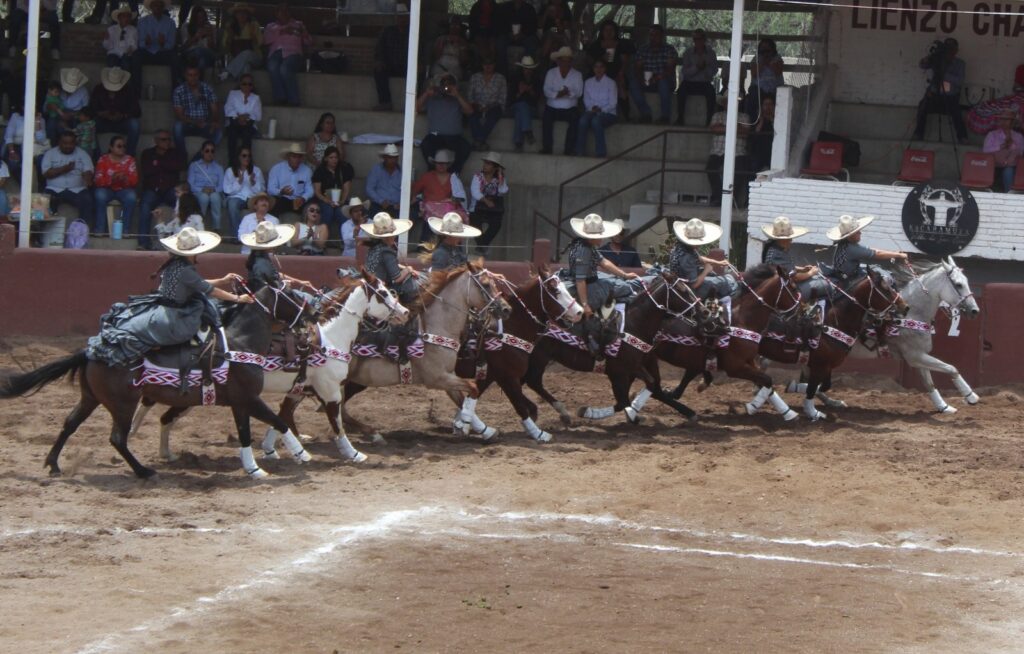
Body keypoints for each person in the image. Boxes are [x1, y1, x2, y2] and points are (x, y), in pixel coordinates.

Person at [84, 227, 252, 372]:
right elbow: (210, 290)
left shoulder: (175, 264)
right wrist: (237, 298)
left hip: (162, 308)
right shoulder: (186, 270)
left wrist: (222, 281)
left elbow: (197, 284)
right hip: (174, 316)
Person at [561, 213, 639, 356]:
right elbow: (580, 280)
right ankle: (595, 336)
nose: (602, 238)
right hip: (589, 286)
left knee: (618, 281)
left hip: (591, 279)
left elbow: (604, 262)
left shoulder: (585, 245)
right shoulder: (584, 251)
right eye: (599, 235)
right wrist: (585, 305)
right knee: (625, 288)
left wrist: (624, 274)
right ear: (592, 237)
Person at [804, 215, 908, 301]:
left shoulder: (846, 244)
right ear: (850, 236)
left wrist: (893, 253)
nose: (860, 233)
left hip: (847, 275)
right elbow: (877, 254)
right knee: (881, 278)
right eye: (857, 232)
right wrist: (898, 255)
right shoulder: (852, 248)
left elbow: (870, 249)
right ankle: (893, 303)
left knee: (875, 270)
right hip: (849, 281)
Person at [667, 219, 735, 320]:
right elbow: (694, 284)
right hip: (687, 290)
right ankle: (720, 315)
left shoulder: (681, 247)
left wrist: (718, 262)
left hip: (681, 281)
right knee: (724, 282)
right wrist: (706, 271)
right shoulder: (687, 257)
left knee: (714, 277)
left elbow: (699, 258)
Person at [138, 130, 186, 250]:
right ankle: (143, 243)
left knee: (183, 201)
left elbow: (179, 166)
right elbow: (147, 171)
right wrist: (166, 165)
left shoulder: (175, 153)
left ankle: (183, 241)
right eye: (164, 140)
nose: (167, 142)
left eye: (169, 139)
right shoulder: (147, 153)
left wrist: (158, 164)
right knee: (145, 205)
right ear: (156, 141)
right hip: (152, 190)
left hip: (170, 190)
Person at [417, 73, 473, 174]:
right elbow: (415, 108)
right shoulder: (432, 98)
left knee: (465, 148)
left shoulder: (458, 99)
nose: (446, 87)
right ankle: (433, 171)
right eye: (444, 84)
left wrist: (457, 95)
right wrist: (426, 93)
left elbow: (470, 111)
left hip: (454, 137)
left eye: (450, 84)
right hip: (435, 135)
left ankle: (453, 173)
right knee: (425, 145)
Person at [913, 37, 967, 143]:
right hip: (934, 95)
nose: (949, 52)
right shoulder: (937, 60)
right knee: (923, 105)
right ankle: (918, 134)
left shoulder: (960, 64)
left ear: (956, 51)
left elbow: (959, 81)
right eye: (947, 49)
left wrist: (943, 73)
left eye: (952, 49)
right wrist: (931, 57)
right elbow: (922, 65)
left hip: (951, 97)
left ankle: (962, 137)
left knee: (957, 112)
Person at [706, 94, 752, 208]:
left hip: (738, 152)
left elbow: (745, 133)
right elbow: (714, 129)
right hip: (718, 151)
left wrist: (723, 127)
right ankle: (720, 198)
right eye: (728, 101)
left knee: (740, 170)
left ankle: (731, 199)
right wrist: (735, 127)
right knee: (711, 168)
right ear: (724, 103)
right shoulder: (717, 115)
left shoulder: (744, 117)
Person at [412, 149, 468, 242]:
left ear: (448, 165)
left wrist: (451, 200)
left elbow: (460, 198)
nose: (441, 166)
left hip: (447, 210)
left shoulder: (453, 178)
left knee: (455, 217)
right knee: (429, 220)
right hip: (429, 209)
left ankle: (451, 244)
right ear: (435, 164)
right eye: (439, 163)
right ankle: (424, 246)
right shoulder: (427, 177)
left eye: (444, 163)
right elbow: (414, 191)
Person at [362, 212, 418, 304]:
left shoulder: (374, 247)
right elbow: (397, 278)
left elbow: (389, 265)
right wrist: (408, 269)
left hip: (370, 285)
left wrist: (405, 268)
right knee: (411, 287)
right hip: (381, 288)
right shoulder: (387, 252)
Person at [41, 131, 94, 227]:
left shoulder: (82, 154)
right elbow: (46, 174)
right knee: (45, 201)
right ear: (59, 142)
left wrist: (87, 176)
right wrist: (64, 169)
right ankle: (46, 231)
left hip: (77, 190)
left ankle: (81, 230)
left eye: (71, 143)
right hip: (54, 190)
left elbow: (88, 170)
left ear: (75, 143)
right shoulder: (50, 153)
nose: (68, 146)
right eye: (65, 143)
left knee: (87, 200)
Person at [585, 20, 634, 120]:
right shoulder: (596, 45)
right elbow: (590, 61)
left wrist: (621, 72)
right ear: (602, 32)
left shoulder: (621, 44)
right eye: (606, 30)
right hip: (599, 72)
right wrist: (601, 58)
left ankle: (626, 115)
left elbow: (625, 61)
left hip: (616, 72)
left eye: (611, 30)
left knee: (621, 85)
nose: (609, 32)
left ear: (615, 31)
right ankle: (590, 110)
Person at [264, 4, 311, 106]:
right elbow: (266, 41)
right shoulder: (271, 26)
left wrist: (303, 33)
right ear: (276, 14)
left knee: (285, 69)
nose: (284, 13)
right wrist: (282, 31)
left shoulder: (298, 24)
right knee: (273, 67)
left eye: (287, 10)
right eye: (281, 10)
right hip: (275, 53)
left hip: (293, 53)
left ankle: (294, 100)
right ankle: (280, 98)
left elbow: (308, 42)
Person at [241, 221, 310, 291]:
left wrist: (299, 282)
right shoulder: (262, 263)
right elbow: (267, 287)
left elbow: (275, 275)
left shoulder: (259, 257)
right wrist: (284, 285)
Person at [760, 216, 818, 298]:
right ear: (782, 240)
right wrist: (811, 273)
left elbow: (784, 267)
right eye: (789, 238)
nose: (791, 240)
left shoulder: (775, 248)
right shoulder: (778, 254)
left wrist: (802, 269)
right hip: (782, 290)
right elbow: (795, 277)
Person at [630, 25, 677, 124]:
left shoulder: (669, 49)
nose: (653, 37)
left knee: (663, 83)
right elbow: (637, 68)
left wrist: (657, 78)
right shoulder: (643, 49)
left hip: (664, 80)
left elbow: (670, 69)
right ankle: (646, 114)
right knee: (633, 83)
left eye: (656, 35)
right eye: (651, 35)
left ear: (662, 36)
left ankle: (665, 117)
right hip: (648, 80)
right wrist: (641, 78)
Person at [172, 65, 222, 159]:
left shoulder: (207, 88)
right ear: (185, 76)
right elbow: (179, 115)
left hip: (204, 124)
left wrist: (214, 121)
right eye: (190, 75)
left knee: (218, 133)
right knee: (177, 126)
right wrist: (195, 122)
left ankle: (197, 159)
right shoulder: (179, 91)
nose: (193, 78)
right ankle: (182, 157)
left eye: (195, 75)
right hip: (187, 124)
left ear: (199, 75)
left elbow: (215, 109)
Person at [92, 135, 138, 236]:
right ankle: (99, 229)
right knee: (99, 195)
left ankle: (125, 230)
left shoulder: (130, 160)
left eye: (124, 146)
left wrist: (124, 178)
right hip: (107, 189)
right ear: (111, 147)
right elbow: (97, 180)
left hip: (123, 189)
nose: (122, 148)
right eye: (119, 146)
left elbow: (134, 181)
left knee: (131, 197)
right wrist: (111, 179)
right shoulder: (103, 159)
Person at [542, 46, 583, 155]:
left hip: (570, 108)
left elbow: (579, 92)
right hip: (552, 107)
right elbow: (546, 90)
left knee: (575, 119)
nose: (565, 63)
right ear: (558, 61)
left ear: (571, 62)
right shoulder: (551, 73)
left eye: (567, 61)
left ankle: (569, 149)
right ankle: (547, 148)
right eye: (563, 61)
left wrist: (568, 92)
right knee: (546, 119)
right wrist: (557, 94)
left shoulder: (577, 74)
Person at [92, 67, 141, 156]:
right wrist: (102, 113)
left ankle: (128, 156)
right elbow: (91, 109)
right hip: (103, 122)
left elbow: (137, 111)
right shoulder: (99, 89)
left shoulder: (128, 90)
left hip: (122, 123)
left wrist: (123, 115)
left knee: (135, 124)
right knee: (90, 125)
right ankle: (97, 156)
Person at [467, 152, 508, 255]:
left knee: (496, 224)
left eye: (489, 164)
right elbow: (475, 192)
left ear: (495, 167)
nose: (485, 165)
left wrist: (500, 177)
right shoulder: (477, 176)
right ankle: (483, 247)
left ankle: (481, 246)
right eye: (485, 163)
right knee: (474, 223)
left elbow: (503, 191)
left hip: (493, 210)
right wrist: (486, 200)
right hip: (477, 208)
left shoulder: (499, 179)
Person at [576, 59, 618, 158]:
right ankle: (579, 150)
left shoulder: (611, 83)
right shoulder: (588, 82)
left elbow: (613, 103)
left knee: (596, 121)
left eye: (601, 67)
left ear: (605, 69)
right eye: (596, 67)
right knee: (582, 121)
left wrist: (601, 110)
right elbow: (586, 100)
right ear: (593, 69)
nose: (598, 69)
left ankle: (601, 152)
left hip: (608, 113)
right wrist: (593, 108)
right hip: (592, 111)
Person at [373, 4, 410, 111]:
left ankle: (415, 102)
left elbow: (421, 48)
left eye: (404, 17)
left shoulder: (412, 31)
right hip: (391, 65)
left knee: (420, 73)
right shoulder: (387, 31)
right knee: (378, 70)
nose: (402, 19)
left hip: (407, 66)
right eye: (400, 17)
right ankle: (385, 102)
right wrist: (379, 61)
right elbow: (379, 48)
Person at [136, 0, 181, 90]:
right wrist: (146, 43)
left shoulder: (170, 22)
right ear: (151, 7)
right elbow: (140, 43)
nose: (157, 8)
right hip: (147, 53)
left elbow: (171, 44)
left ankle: (176, 91)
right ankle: (136, 91)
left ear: (163, 7)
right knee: (136, 57)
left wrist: (163, 44)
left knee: (175, 58)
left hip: (163, 53)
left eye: (160, 5)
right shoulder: (142, 22)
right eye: (155, 5)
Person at [677, 29, 718, 126]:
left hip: (705, 83)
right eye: (695, 39)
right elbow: (685, 72)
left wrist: (704, 69)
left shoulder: (711, 53)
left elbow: (714, 71)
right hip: (689, 83)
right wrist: (696, 68)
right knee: (681, 91)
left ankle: (709, 121)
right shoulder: (688, 52)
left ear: (704, 39)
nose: (697, 41)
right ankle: (680, 118)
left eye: (699, 39)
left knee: (711, 93)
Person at [222, 146, 265, 237]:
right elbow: (227, 190)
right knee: (232, 204)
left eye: (249, 156)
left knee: (262, 204)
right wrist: (239, 182)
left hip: (252, 198)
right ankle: (237, 236)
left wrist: (253, 183)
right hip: (237, 197)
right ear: (239, 157)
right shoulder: (230, 171)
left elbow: (262, 190)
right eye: (244, 156)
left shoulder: (256, 171)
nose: (247, 158)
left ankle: (258, 235)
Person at [312, 145, 354, 233]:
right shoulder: (320, 171)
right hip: (324, 200)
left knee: (341, 211)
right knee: (328, 211)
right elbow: (317, 191)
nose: (334, 160)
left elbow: (346, 189)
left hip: (340, 200)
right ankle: (323, 236)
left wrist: (342, 201)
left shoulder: (343, 169)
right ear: (326, 159)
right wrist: (327, 201)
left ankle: (345, 237)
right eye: (331, 157)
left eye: (336, 157)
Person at [468, 58, 507, 151]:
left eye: (490, 63)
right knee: (472, 116)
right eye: (485, 63)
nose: (488, 66)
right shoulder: (475, 77)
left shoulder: (501, 78)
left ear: (494, 65)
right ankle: (481, 142)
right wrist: (477, 105)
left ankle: (478, 141)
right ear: (482, 65)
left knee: (492, 117)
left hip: (494, 106)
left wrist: (489, 106)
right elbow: (470, 96)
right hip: (477, 105)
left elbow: (502, 98)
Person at [223, 73, 262, 164]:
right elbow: (227, 109)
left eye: (249, 84)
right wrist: (239, 117)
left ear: (252, 86)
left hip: (248, 124)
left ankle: (246, 162)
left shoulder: (256, 98)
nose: (247, 86)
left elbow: (258, 115)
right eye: (244, 84)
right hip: (234, 123)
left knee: (247, 134)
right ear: (240, 84)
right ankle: (232, 163)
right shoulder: (233, 94)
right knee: (232, 134)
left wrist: (245, 117)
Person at [267, 143, 314, 216]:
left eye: (299, 157)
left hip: (299, 200)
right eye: (294, 157)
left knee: (312, 206)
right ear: (288, 157)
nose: (297, 160)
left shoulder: (307, 170)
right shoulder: (277, 169)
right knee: (274, 202)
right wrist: (281, 191)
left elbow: (310, 189)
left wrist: (303, 198)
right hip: (282, 199)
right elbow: (270, 189)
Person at [983, 108, 1023, 192]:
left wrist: (1012, 145)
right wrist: (1000, 147)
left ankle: (1008, 195)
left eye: (1007, 119)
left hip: (1011, 165)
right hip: (993, 164)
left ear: (1012, 122)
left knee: (1008, 171)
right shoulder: (992, 134)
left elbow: (1021, 152)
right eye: (1002, 119)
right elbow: (985, 150)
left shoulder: (1018, 136)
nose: (1003, 122)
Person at [187, 140, 224, 232]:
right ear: (202, 152)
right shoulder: (194, 166)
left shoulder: (219, 168)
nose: (210, 153)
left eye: (212, 151)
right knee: (204, 198)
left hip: (213, 191)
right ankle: (200, 225)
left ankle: (217, 227)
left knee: (215, 197)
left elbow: (222, 185)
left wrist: (214, 189)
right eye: (207, 151)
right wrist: (202, 189)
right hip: (198, 191)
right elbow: (190, 183)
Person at [221, 3, 263, 82]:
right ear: (235, 15)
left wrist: (252, 35)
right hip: (235, 58)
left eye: (244, 12)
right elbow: (225, 47)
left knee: (247, 53)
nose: (242, 15)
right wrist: (230, 36)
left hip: (254, 58)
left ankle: (226, 71)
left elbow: (260, 44)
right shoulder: (230, 26)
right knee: (245, 66)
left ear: (248, 14)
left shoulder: (254, 25)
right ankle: (243, 88)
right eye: (239, 12)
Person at [744, 38, 784, 120]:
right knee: (753, 96)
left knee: (781, 96)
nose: (765, 52)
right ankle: (753, 122)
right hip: (758, 88)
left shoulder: (777, 58)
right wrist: (762, 62)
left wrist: (770, 62)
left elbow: (778, 72)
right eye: (763, 50)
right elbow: (754, 74)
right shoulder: (756, 58)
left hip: (774, 88)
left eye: (767, 50)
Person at [496, 0, 539, 73]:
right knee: (500, 43)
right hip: (508, 36)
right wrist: (509, 33)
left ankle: (526, 71)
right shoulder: (505, 7)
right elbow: (500, 25)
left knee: (532, 43)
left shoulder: (529, 8)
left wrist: (523, 34)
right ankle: (503, 72)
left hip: (525, 36)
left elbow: (533, 27)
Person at [509, 55, 541, 152]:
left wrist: (531, 91)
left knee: (520, 113)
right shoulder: (515, 79)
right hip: (515, 107)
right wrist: (520, 92)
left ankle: (518, 143)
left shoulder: (536, 80)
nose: (528, 71)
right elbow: (510, 99)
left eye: (530, 69)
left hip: (531, 109)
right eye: (526, 68)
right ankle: (527, 131)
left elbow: (538, 99)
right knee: (522, 106)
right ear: (522, 69)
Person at [366, 143, 403, 217]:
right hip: (379, 205)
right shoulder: (376, 169)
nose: (393, 160)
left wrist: (402, 202)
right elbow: (369, 188)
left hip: (397, 207)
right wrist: (381, 201)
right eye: (390, 158)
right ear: (384, 158)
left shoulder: (402, 171)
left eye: (395, 158)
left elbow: (408, 189)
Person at [430, 16, 470, 84]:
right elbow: (436, 56)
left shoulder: (463, 42)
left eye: (457, 25)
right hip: (440, 67)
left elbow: (464, 61)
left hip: (455, 70)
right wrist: (443, 43)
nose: (454, 28)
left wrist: (461, 46)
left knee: (452, 83)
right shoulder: (440, 39)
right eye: (452, 25)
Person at [179, 5, 217, 74]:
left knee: (200, 51)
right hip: (191, 53)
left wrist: (210, 36)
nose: (201, 20)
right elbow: (184, 46)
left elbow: (213, 48)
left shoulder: (210, 27)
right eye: (198, 18)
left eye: (203, 17)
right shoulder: (186, 27)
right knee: (201, 59)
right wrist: (196, 37)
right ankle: (198, 78)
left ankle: (194, 77)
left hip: (207, 53)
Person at [102, 5, 138, 71]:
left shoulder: (133, 30)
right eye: (124, 16)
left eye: (128, 16)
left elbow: (134, 44)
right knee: (112, 62)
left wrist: (131, 49)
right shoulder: (111, 29)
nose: (126, 19)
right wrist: (107, 39)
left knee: (126, 64)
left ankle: (126, 77)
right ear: (119, 18)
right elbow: (107, 47)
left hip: (126, 54)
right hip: (114, 53)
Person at [748, 95, 775, 174]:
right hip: (758, 152)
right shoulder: (756, 119)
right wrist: (761, 120)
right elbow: (754, 135)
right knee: (754, 173)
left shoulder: (777, 119)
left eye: (770, 104)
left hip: (772, 152)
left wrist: (772, 119)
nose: (768, 107)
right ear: (762, 107)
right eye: (766, 104)